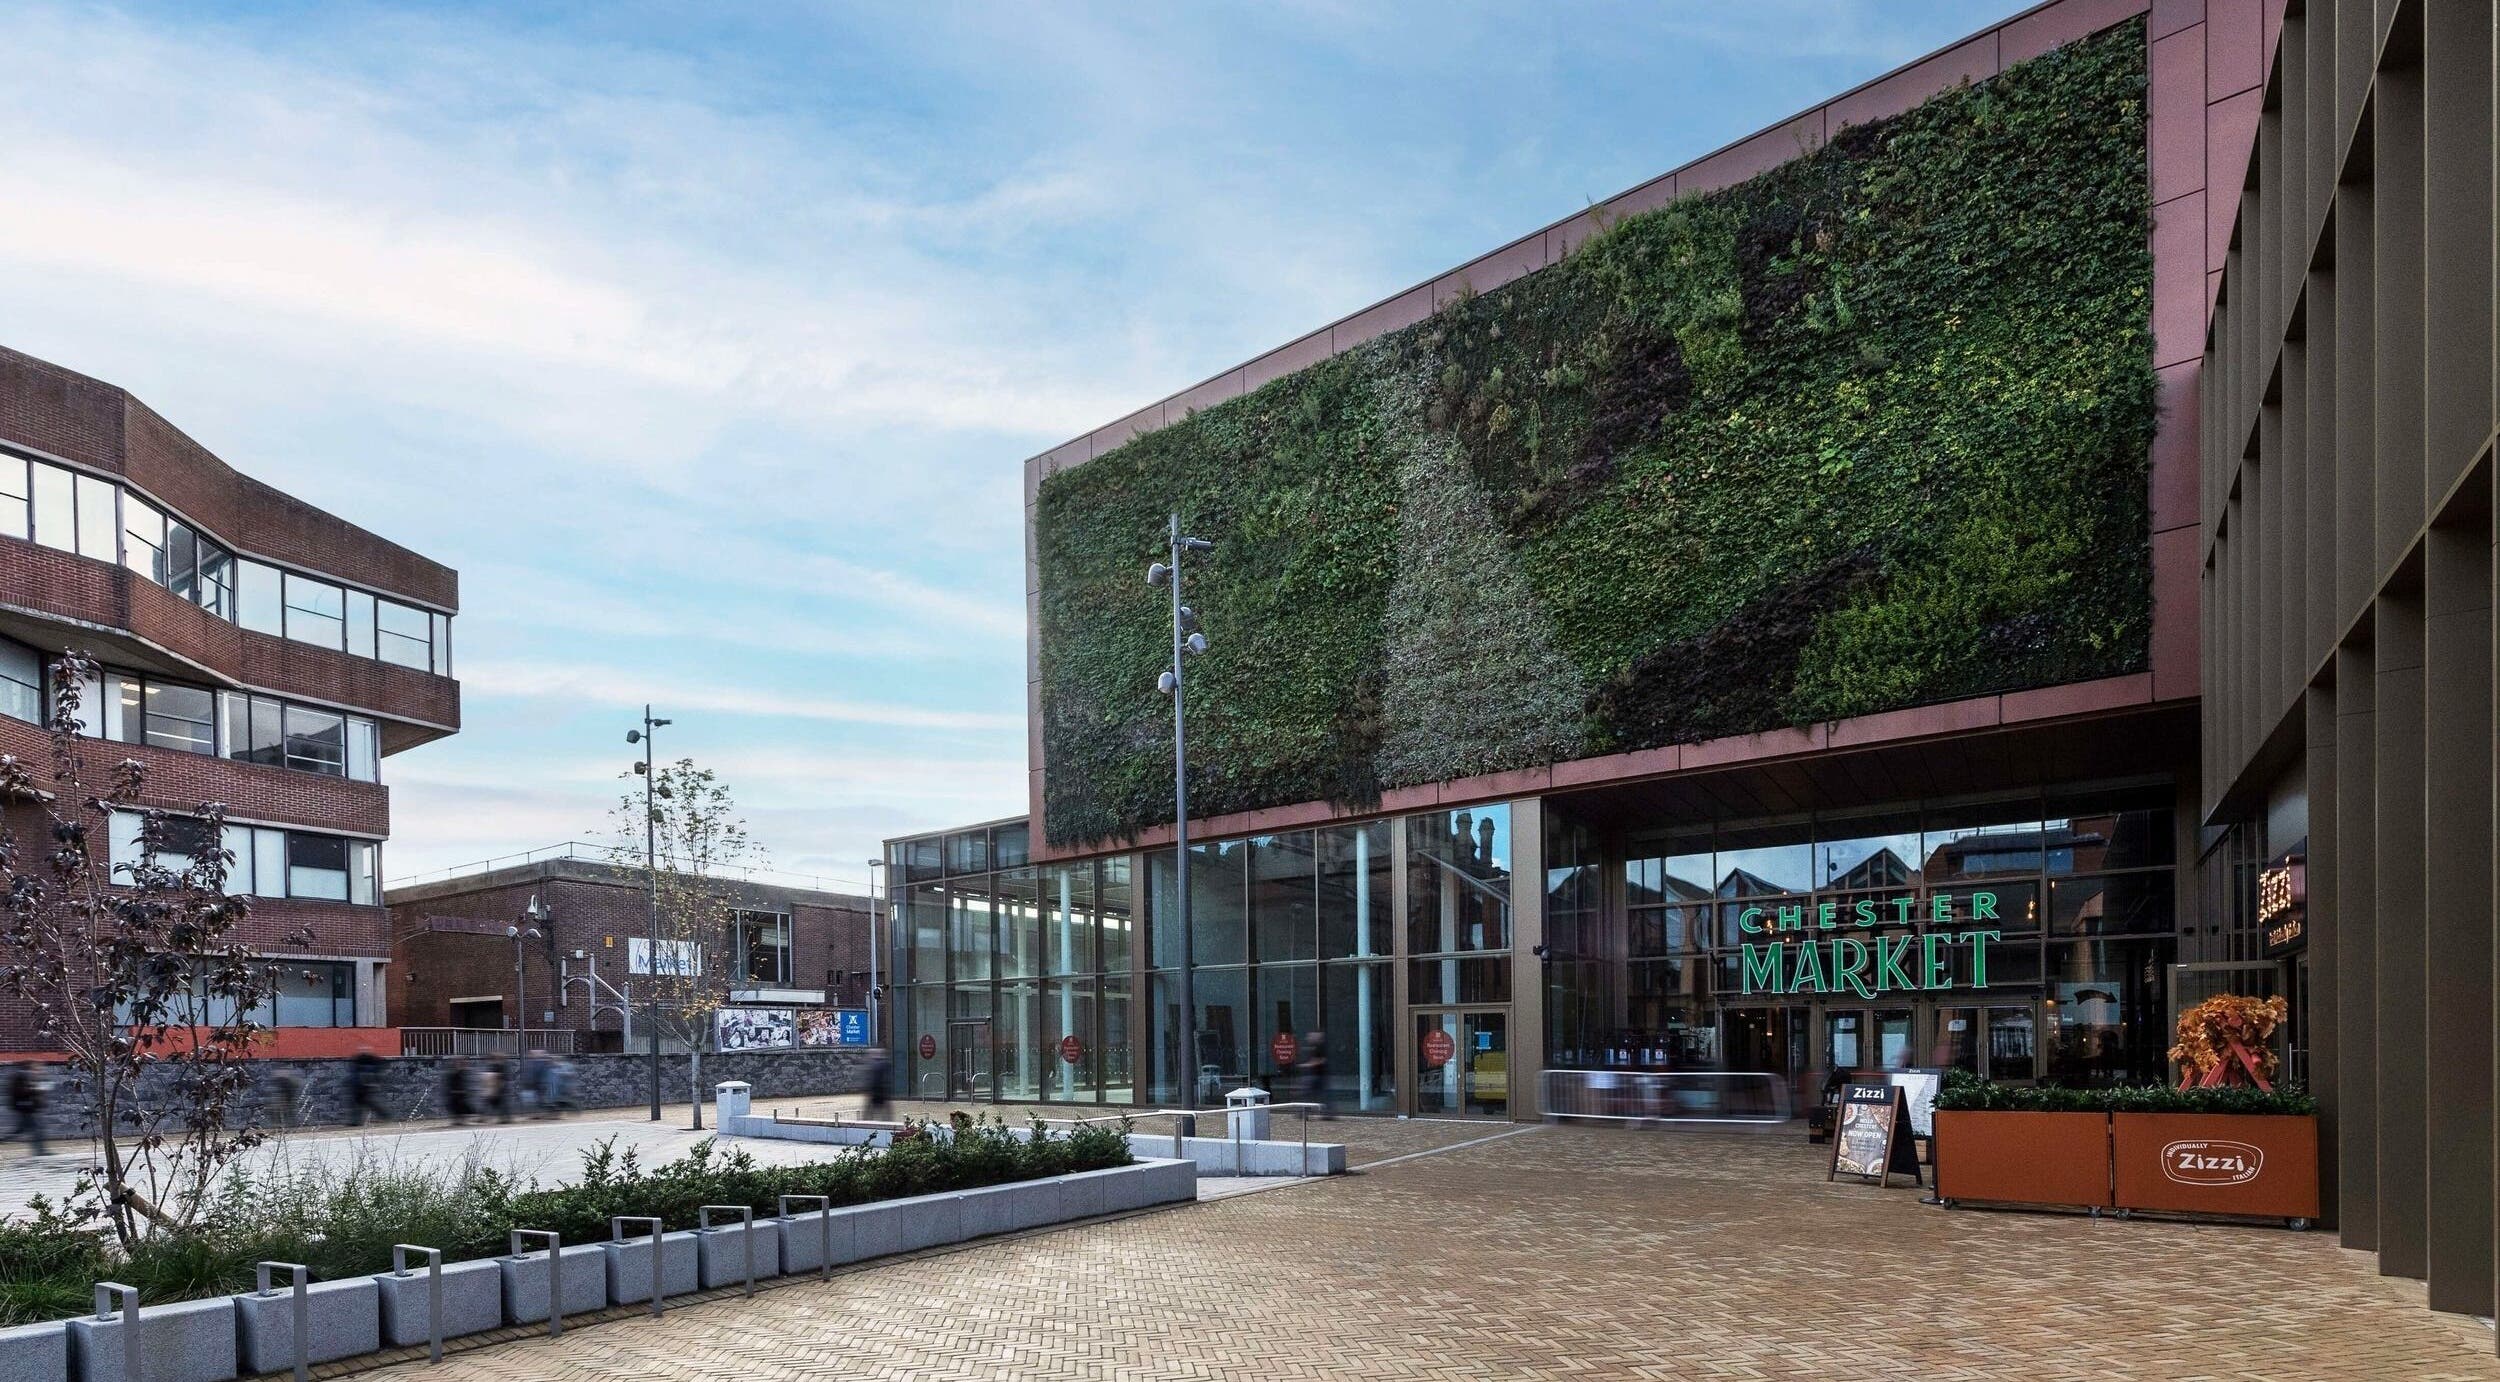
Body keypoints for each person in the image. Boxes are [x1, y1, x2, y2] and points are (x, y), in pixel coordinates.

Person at [6, 1063, 47, 1156]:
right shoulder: (20, 1077)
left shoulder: (23, 1076)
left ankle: (40, 1151)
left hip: (26, 1108)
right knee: (36, 1129)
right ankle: (40, 1151)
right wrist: (34, 1090)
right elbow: (22, 1092)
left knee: (23, 1130)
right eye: (34, 1068)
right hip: (24, 1108)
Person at [347, 1048, 385, 1127]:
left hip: (362, 1087)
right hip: (362, 1087)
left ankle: (357, 1121)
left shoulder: (362, 1064)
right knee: (365, 1103)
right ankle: (357, 1121)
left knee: (365, 1103)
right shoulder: (368, 1064)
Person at [1297, 1032, 1331, 1120]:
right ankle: (1306, 1113)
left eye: (1311, 1036)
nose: (1308, 1038)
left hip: (1316, 1076)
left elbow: (1321, 1060)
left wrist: (1307, 1065)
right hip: (1316, 1076)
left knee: (1308, 1095)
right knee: (1315, 1095)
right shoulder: (1315, 1047)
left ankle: (1305, 1113)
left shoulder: (1319, 1048)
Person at [442, 1056, 473, 1127]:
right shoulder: (454, 1072)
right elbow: (451, 1082)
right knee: (456, 1106)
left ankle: (460, 1120)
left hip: (460, 1093)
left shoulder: (461, 1071)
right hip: (455, 1093)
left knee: (461, 1106)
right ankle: (458, 1120)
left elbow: (463, 1082)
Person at [488, 1058, 514, 1123]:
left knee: (503, 1103)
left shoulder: (502, 1066)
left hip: (502, 1088)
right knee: (501, 1103)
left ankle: (506, 1118)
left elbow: (503, 1078)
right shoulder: (496, 1066)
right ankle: (504, 1118)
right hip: (500, 1088)